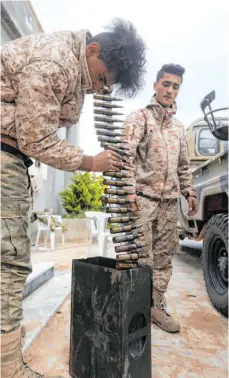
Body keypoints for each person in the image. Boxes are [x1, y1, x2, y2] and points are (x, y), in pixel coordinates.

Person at [0, 18, 147, 377]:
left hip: (12, 154)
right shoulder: (55, 62)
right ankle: (6, 368)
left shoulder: (74, 64)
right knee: (11, 261)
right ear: (92, 51)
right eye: (101, 79)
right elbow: (36, 139)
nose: (100, 89)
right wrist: (89, 162)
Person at [123, 64, 198, 333]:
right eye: (166, 84)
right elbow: (124, 159)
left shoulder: (179, 128)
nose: (170, 90)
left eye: (175, 86)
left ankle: (156, 306)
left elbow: (183, 165)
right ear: (155, 85)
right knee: (139, 256)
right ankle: (132, 307)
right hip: (142, 199)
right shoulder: (139, 118)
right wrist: (129, 191)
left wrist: (189, 191)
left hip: (168, 203)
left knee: (164, 257)